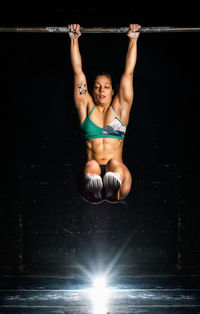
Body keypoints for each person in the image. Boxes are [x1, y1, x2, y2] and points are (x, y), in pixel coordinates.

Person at [68, 23, 141, 204]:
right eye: (98, 87)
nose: (102, 91)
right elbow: (78, 72)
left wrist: (133, 40)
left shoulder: (120, 108)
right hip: (91, 178)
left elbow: (128, 73)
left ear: (113, 91)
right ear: (91, 90)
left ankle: (112, 189)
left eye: (106, 87)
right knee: (92, 166)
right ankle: (98, 189)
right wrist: (74, 39)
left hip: (119, 177)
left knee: (114, 166)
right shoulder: (86, 107)